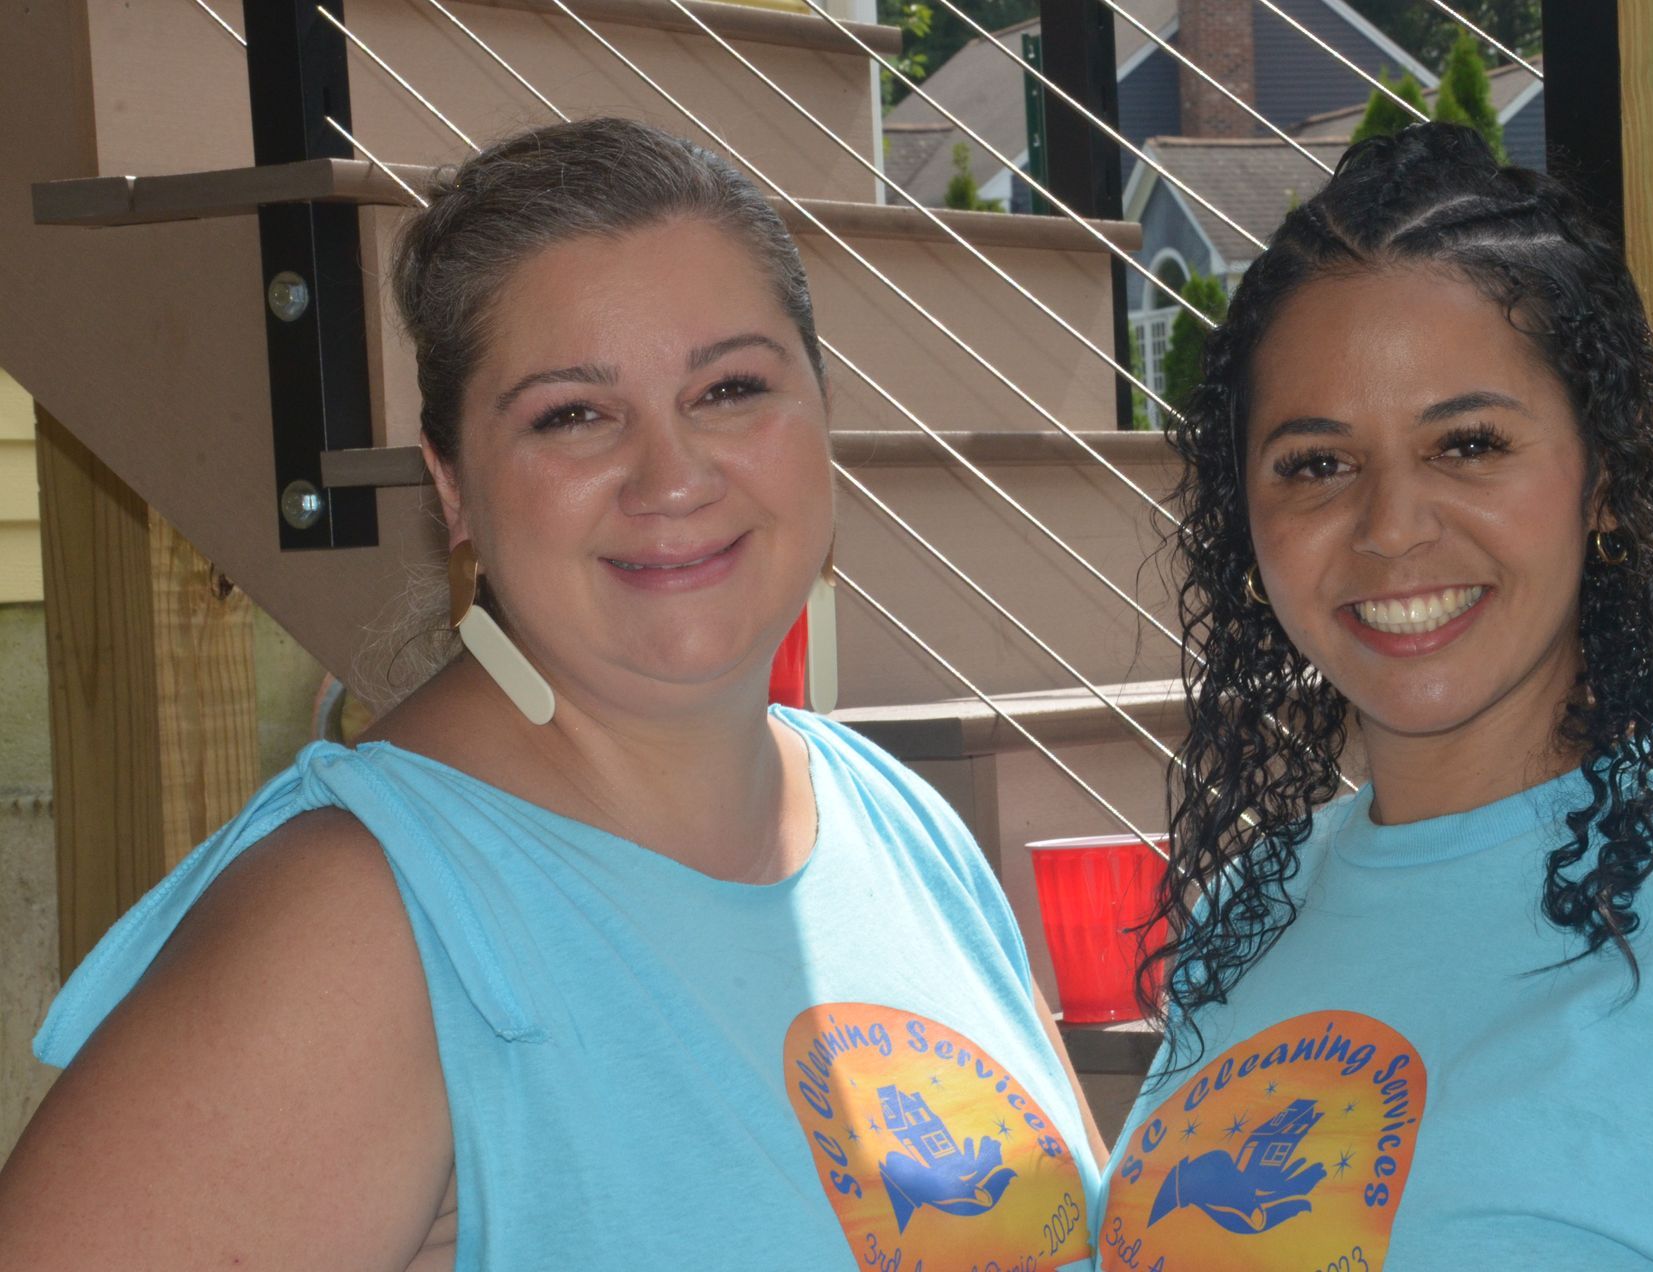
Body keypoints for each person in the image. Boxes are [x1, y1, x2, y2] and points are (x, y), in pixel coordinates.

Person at [0, 118, 1103, 1270]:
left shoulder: (900, 827)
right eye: (571, 414)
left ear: (823, 419)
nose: (671, 477)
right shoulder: (367, 923)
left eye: (729, 388)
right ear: (453, 488)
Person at [1095, 124, 1653, 1270]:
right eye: (1318, 464)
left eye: (1469, 444)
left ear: (1607, 480)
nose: (1391, 526)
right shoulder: (1252, 912)